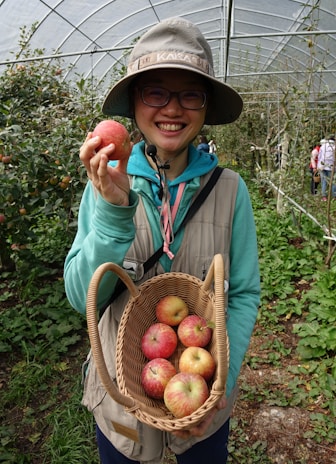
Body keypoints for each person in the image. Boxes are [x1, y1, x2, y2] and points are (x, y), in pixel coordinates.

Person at [64, 17, 260, 464]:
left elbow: (245, 293)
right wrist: (115, 211)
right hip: (121, 410)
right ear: (134, 103)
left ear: (206, 106)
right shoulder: (104, 183)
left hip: (201, 406)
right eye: (156, 91)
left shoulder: (230, 190)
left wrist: (220, 385)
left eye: (190, 93)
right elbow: (82, 298)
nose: (173, 109)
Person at [317, 136, 336, 200]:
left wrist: (318, 166)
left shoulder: (323, 146)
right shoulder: (334, 147)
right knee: (333, 181)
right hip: (331, 167)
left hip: (322, 166)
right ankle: (334, 196)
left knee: (323, 181)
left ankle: (324, 197)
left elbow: (319, 156)